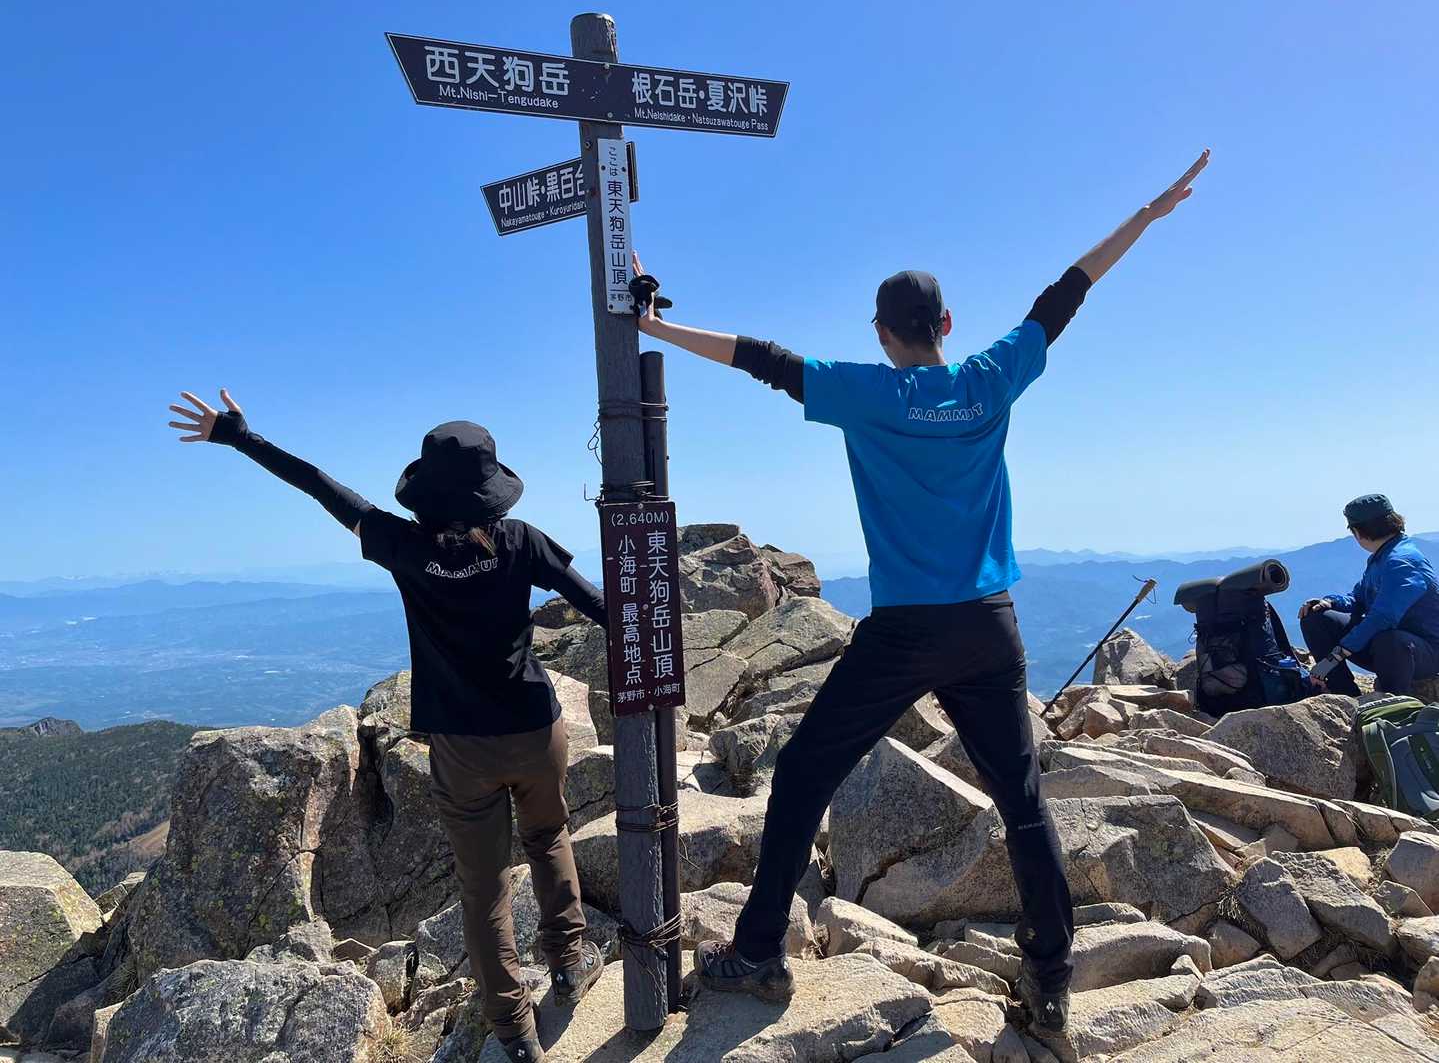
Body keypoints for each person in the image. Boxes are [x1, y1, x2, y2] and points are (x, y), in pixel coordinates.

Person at [629, 149, 1210, 1034]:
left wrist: (654, 327)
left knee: (803, 777)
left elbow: (759, 358)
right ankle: (1049, 978)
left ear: (880, 332)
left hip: (904, 631)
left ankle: (757, 952)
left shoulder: (865, 393)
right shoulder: (988, 379)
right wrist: (1145, 215)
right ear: (945, 323)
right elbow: (1064, 294)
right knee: (1021, 803)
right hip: (989, 626)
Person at [167, 390, 604, 1063]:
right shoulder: (520, 540)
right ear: (491, 487)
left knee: (484, 886)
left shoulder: (402, 545)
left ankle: (514, 1029)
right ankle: (570, 963)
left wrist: (242, 438)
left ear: (426, 490)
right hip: (533, 726)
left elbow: (321, 487)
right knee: (548, 837)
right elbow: (598, 604)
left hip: (461, 745)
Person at [1301, 495, 1439, 696]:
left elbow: (1382, 618)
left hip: (1422, 652)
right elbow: (1358, 598)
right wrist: (1329, 602)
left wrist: (1336, 656)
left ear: (1357, 532)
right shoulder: (1383, 556)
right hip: (1387, 645)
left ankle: (1393, 700)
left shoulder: (1402, 561)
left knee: (1389, 639)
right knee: (1316, 617)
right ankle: (1344, 694)